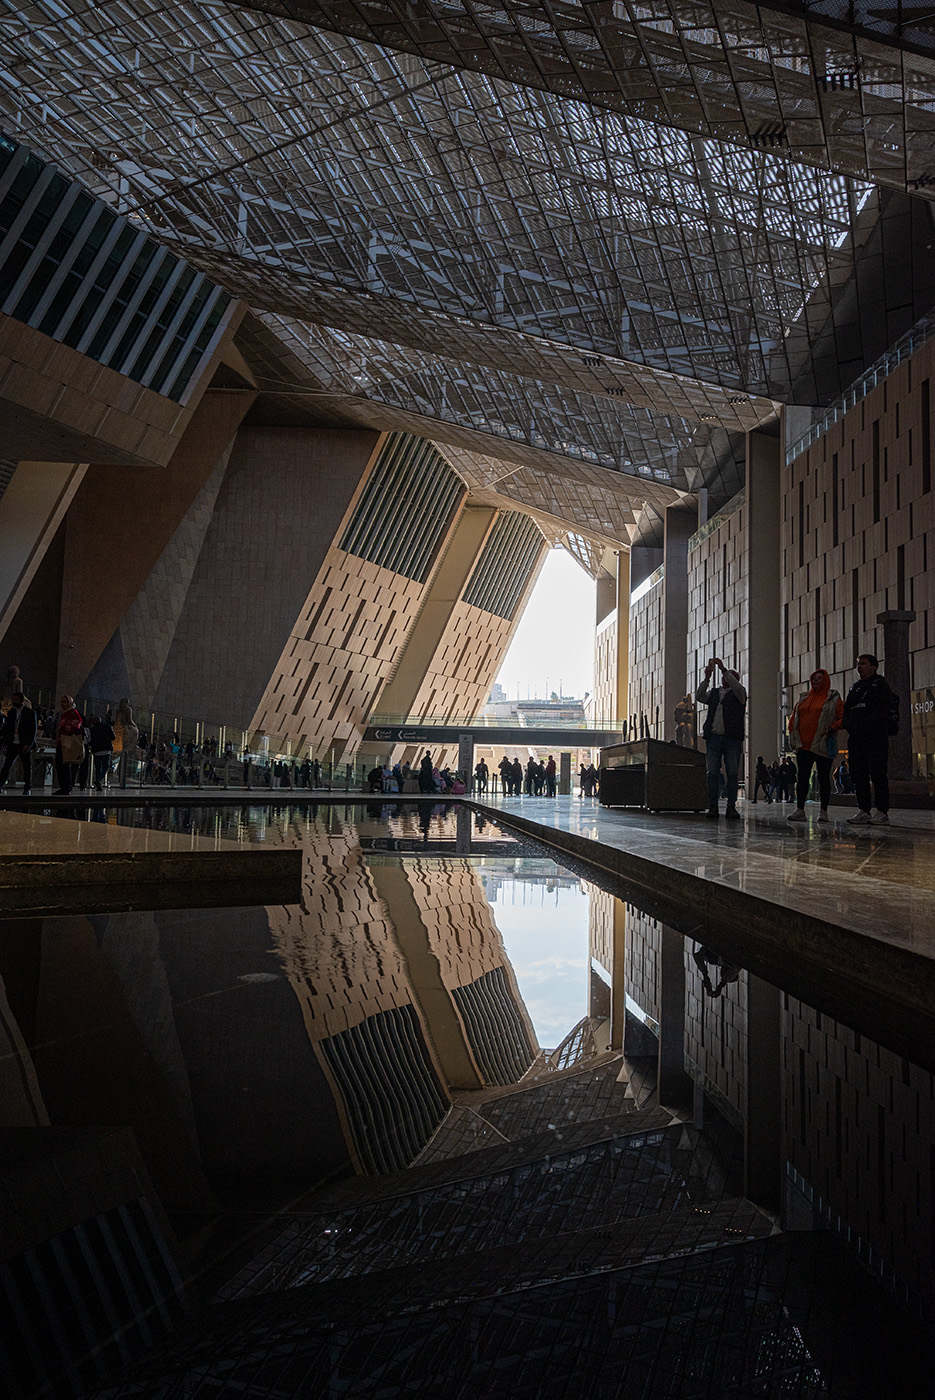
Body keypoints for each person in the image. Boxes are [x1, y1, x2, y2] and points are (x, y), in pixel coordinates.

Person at [842, 653, 895, 825]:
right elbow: (847, 710)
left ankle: (882, 811)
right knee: (859, 775)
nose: (859, 667)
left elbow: (882, 710)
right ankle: (864, 810)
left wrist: (867, 725)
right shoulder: (855, 688)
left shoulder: (880, 685)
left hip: (875, 737)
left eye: (863, 664)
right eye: (858, 664)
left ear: (873, 666)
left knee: (878, 773)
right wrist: (850, 726)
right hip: (857, 738)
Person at [786, 669, 843, 822]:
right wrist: (792, 731)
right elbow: (794, 717)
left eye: (819, 678)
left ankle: (823, 811)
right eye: (814, 678)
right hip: (803, 745)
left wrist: (832, 728)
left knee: (824, 778)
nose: (816, 681)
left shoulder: (833, 699)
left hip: (823, 744)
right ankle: (800, 810)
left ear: (825, 680)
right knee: (803, 778)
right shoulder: (804, 698)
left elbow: (843, 717)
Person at [696, 657, 747, 819]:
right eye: (724, 677)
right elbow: (699, 696)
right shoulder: (715, 693)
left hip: (732, 738)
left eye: (729, 677)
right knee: (712, 772)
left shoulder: (740, 694)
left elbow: (737, 687)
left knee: (732, 773)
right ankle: (713, 806)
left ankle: (731, 807)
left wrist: (724, 669)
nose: (725, 679)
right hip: (714, 738)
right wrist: (706, 678)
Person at [0, 690, 37, 796]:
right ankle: (0, 784)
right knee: (7, 765)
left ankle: (27, 787)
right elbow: (7, 728)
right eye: (13, 700)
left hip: (24, 743)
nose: (14, 702)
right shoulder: (11, 712)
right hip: (13, 743)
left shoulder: (30, 713)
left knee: (26, 766)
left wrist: (29, 743)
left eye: (16, 700)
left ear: (21, 700)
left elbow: (33, 729)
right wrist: (5, 742)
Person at [54, 695, 84, 795]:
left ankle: (66, 787)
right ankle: (63, 786)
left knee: (65, 766)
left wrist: (63, 730)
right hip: (61, 743)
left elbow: (76, 727)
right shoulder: (64, 714)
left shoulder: (73, 713)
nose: (63, 704)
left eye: (65, 702)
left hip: (67, 743)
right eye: (62, 702)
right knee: (60, 766)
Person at [88, 713, 116, 792]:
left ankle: (98, 782)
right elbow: (113, 737)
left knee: (97, 768)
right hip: (106, 750)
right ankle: (99, 779)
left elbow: (89, 740)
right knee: (105, 767)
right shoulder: (108, 727)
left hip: (96, 751)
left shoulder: (92, 730)